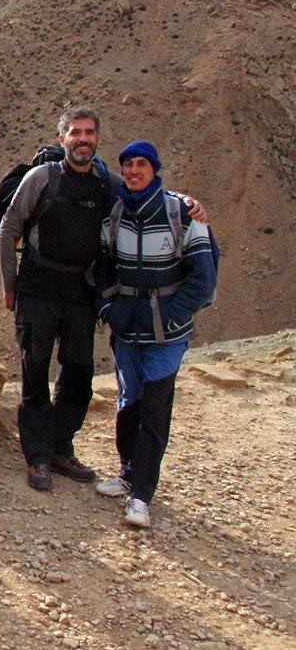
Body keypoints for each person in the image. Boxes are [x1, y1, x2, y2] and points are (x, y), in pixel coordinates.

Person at [0, 107, 208, 492]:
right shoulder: (41, 178)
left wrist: (184, 201)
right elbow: (8, 228)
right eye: (75, 132)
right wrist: (9, 285)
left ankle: (61, 447)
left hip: (82, 292)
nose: (83, 139)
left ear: (97, 138)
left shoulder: (105, 182)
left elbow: (142, 191)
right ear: (62, 139)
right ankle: (38, 455)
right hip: (37, 290)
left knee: (78, 376)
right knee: (35, 372)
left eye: (89, 132)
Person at [94, 141, 216, 529]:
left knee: (155, 406)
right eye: (128, 165)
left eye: (141, 164)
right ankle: (128, 471)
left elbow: (203, 277)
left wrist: (171, 314)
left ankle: (142, 495)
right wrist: (109, 310)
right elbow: (102, 269)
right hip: (127, 328)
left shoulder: (182, 214)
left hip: (168, 333)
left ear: (154, 169)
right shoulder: (115, 215)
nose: (133, 171)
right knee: (129, 401)